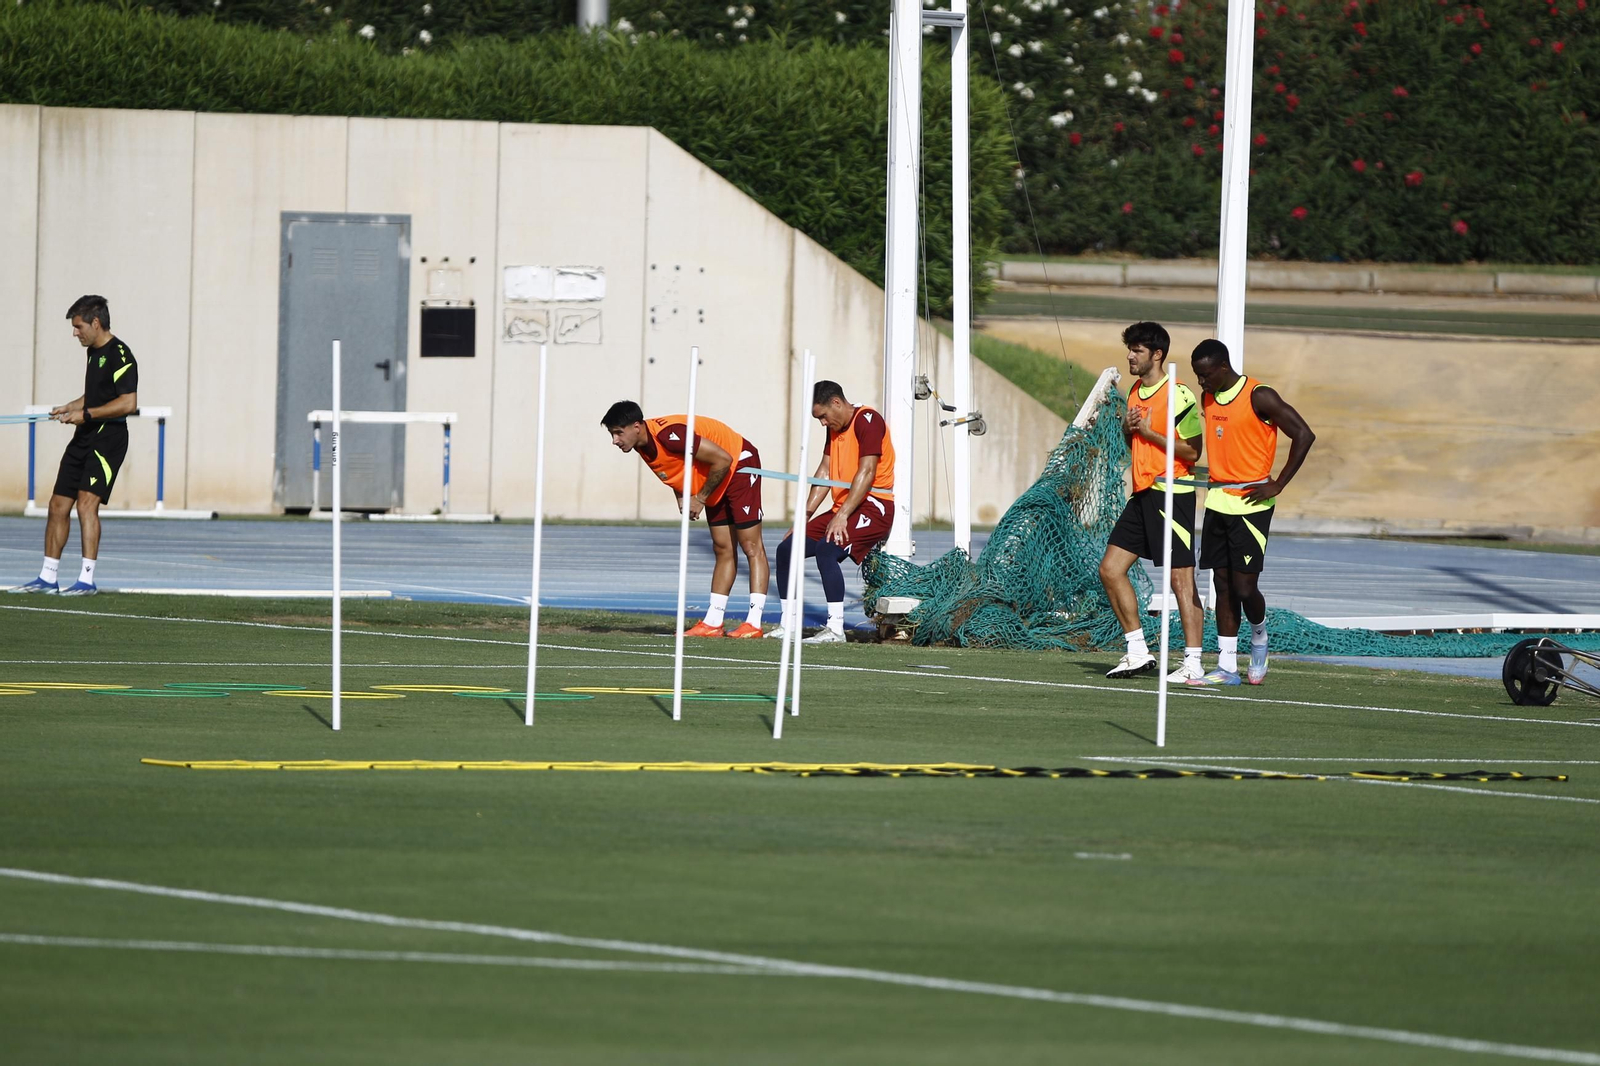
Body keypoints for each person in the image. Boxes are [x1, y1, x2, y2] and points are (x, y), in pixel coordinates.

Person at [1187, 339, 1316, 686]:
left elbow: (1304, 434)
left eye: (1205, 375)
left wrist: (1279, 484)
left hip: (1252, 504)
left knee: (1245, 588)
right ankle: (1227, 667)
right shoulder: (1209, 398)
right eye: (1197, 376)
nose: (1201, 382)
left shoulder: (1260, 395)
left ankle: (1259, 637)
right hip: (1217, 502)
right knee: (1221, 584)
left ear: (1223, 368)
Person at [602, 401, 770, 638]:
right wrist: (682, 495)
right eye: (612, 434)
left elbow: (723, 459)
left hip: (739, 463)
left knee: (751, 546)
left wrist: (700, 498)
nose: (615, 440)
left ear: (637, 426)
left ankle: (753, 623)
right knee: (723, 548)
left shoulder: (670, 436)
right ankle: (713, 621)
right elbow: (678, 468)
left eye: (618, 432)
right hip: (714, 475)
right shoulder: (642, 445)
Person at [9, 296, 138, 597]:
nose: (74, 332)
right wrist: (70, 406)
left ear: (96, 322)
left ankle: (86, 580)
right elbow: (96, 395)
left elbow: (128, 402)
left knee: (86, 504)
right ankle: (47, 576)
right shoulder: (93, 352)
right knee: (57, 505)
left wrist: (86, 414)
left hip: (108, 439)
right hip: (85, 436)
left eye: (78, 326)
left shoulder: (121, 355)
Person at [1100, 322, 1207, 682]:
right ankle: (1137, 651)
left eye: (1138, 350)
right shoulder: (1133, 391)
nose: (1130, 356)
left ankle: (1193, 662)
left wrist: (1149, 432)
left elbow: (1193, 451)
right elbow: (1133, 442)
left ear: (1157, 354)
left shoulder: (1180, 394)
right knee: (1110, 570)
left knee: (1180, 581)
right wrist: (1128, 429)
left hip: (1172, 493)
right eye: (1129, 349)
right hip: (1142, 492)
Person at [771, 379, 896, 645]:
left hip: (875, 507)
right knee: (786, 549)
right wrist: (804, 516)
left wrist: (841, 515)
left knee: (827, 549)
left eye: (823, 416)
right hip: (845, 508)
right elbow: (825, 471)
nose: (823, 423)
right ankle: (787, 623)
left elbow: (867, 472)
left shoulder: (868, 420)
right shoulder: (834, 429)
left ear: (836, 403)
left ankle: (835, 629)